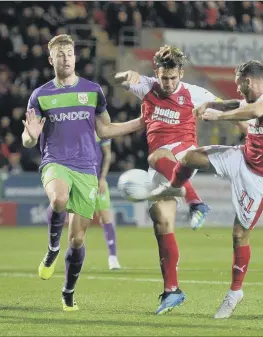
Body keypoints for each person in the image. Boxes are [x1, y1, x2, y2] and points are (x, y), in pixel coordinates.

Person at [151, 60, 263, 318]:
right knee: (189, 158)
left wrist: (219, 116)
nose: (239, 91)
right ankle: (174, 189)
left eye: (240, 86)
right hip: (242, 156)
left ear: (248, 80)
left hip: (262, 177)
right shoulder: (250, 98)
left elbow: (253, 111)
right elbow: (236, 104)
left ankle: (235, 291)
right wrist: (211, 104)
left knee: (239, 234)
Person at [22, 34, 142, 311]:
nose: (65, 58)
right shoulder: (40, 95)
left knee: (77, 240)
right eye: (60, 54)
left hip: (87, 167)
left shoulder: (93, 91)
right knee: (58, 200)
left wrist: (139, 122)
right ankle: (52, 249)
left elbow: (105, 130)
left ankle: (68, 291)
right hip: (55, 161)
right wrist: (31, 136)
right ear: (51, 59)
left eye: (70, 53)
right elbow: (28, 138)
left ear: (75, 57)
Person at [113, 45, 222, 314]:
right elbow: (118, 78)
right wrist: (127, 74)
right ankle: (172, 290)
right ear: (157, 73)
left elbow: (223, 106)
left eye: (173, 78)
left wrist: (246, 126)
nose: (169, 83)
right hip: (162, 167)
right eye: (164, 78)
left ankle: (197, 202)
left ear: (181, 74)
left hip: (184, 155)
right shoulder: (147, 86)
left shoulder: (194, 93)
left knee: (155, 156)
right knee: (161, 221)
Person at [94, 133, 120, 270]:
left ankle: (113, 257)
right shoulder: (77, 124)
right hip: (80, 179)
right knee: (78, 221)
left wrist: (102, 178)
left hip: (98, 181)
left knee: (105, 218)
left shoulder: (101, 130)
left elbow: (107, 155)